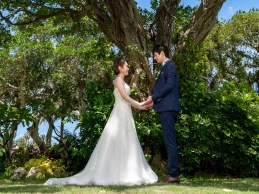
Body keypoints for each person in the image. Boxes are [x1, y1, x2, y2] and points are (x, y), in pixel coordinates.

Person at [45, 58, 158, 186]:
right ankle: (114, 173)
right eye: (126, 66)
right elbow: (124, 97)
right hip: (119, 114)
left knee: (127, 141)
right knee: (118, 141)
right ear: (120, 68)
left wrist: (142, 105)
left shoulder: (122, 80)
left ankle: (127, 170)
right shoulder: (118, 80)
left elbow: (127, 99)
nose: (128, 68)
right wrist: (139, 104)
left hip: (126, 113)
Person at [148, 44, 180, 184]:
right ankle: (172, 173)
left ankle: (173, 174)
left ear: (162, 53)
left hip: (168, 108)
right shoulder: (165, 67)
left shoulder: (169, 66)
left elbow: (169, 86)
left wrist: (154, 97)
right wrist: (154, 100)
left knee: (170, 142)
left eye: (155, 55)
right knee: (169, 141)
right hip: (165, 107)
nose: (154, 58)